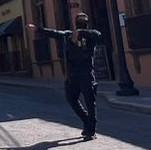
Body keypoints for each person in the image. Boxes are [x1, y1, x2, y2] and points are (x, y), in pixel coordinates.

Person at [27, 13, 104, 141]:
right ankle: (86, 120)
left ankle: (91, 130)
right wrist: (38, 29)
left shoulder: (91, 36)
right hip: (72, 76)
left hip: (86, 75)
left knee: (90, 103)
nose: (81, 24)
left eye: (83, 22)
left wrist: (81, 32)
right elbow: (54, 33)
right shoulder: (68, 35)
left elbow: (98, 34)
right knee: (71, 99)